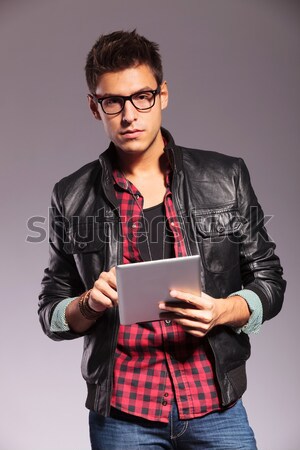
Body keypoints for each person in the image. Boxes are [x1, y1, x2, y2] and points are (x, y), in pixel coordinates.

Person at [38, 30, 286, 450]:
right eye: (112, 101)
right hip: (122, 412)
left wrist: (225, 310)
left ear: (163, 95)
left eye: (142, 97)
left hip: (214, 402)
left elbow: (270, 280)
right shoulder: (70, 195)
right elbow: (51, 311)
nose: (129, 115)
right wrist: (87, 303)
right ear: (94, 107)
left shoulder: (226, 177)